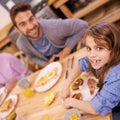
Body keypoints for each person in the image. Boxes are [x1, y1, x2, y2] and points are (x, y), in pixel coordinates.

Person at [62, 22, 120, 119]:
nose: (92, 55)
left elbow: (96, 109)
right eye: (89, 48)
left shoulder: (116, 76)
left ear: (114, 49)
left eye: (99, 48)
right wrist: (66, 85)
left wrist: (70, 101)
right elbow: (80, 63)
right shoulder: (102, 59)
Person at [9, 2, 88, 68]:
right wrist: (46, 64)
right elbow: (31, 56)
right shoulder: (21, 43)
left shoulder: (53, 26)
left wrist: (67, 49)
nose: (31, 26)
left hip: (74, 58)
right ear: (17, 29)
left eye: (31, 19)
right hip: (56, 67)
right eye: (23, 24)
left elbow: (83, 25)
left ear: (36, 17)